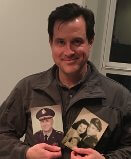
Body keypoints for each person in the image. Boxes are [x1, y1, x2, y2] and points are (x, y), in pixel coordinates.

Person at [0, 3, 131, 159]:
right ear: (51, 43)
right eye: (60, 42)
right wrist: (25, 153)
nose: (68, 51)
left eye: (76, 41)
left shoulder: (118, 97)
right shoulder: (28, 88)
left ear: (90, 41)